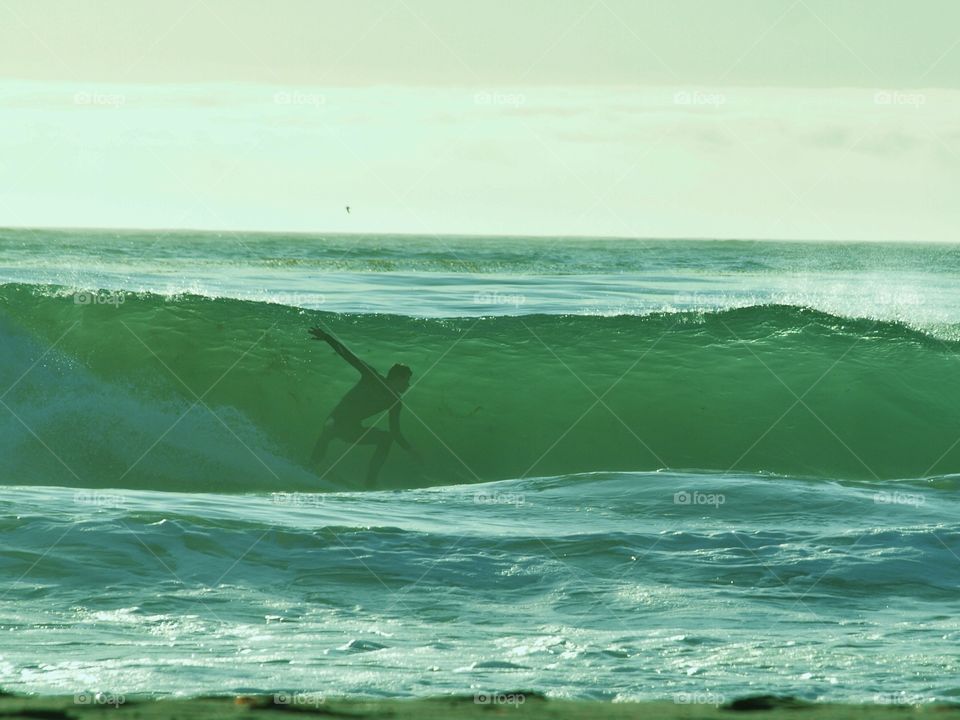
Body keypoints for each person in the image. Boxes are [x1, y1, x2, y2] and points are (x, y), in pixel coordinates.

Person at [309, 327, 416, 484]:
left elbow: (395, 432)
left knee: (386, 438)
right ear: (397, 378)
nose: (408, 385)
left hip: (352, 429)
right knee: (328, 429)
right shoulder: (372, 377)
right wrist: (327, 337)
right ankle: (310, 468)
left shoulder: (395, 402)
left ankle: (370, 482)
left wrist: (410, 450)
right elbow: (348, 356)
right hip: (335, 421)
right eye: (406, 380)